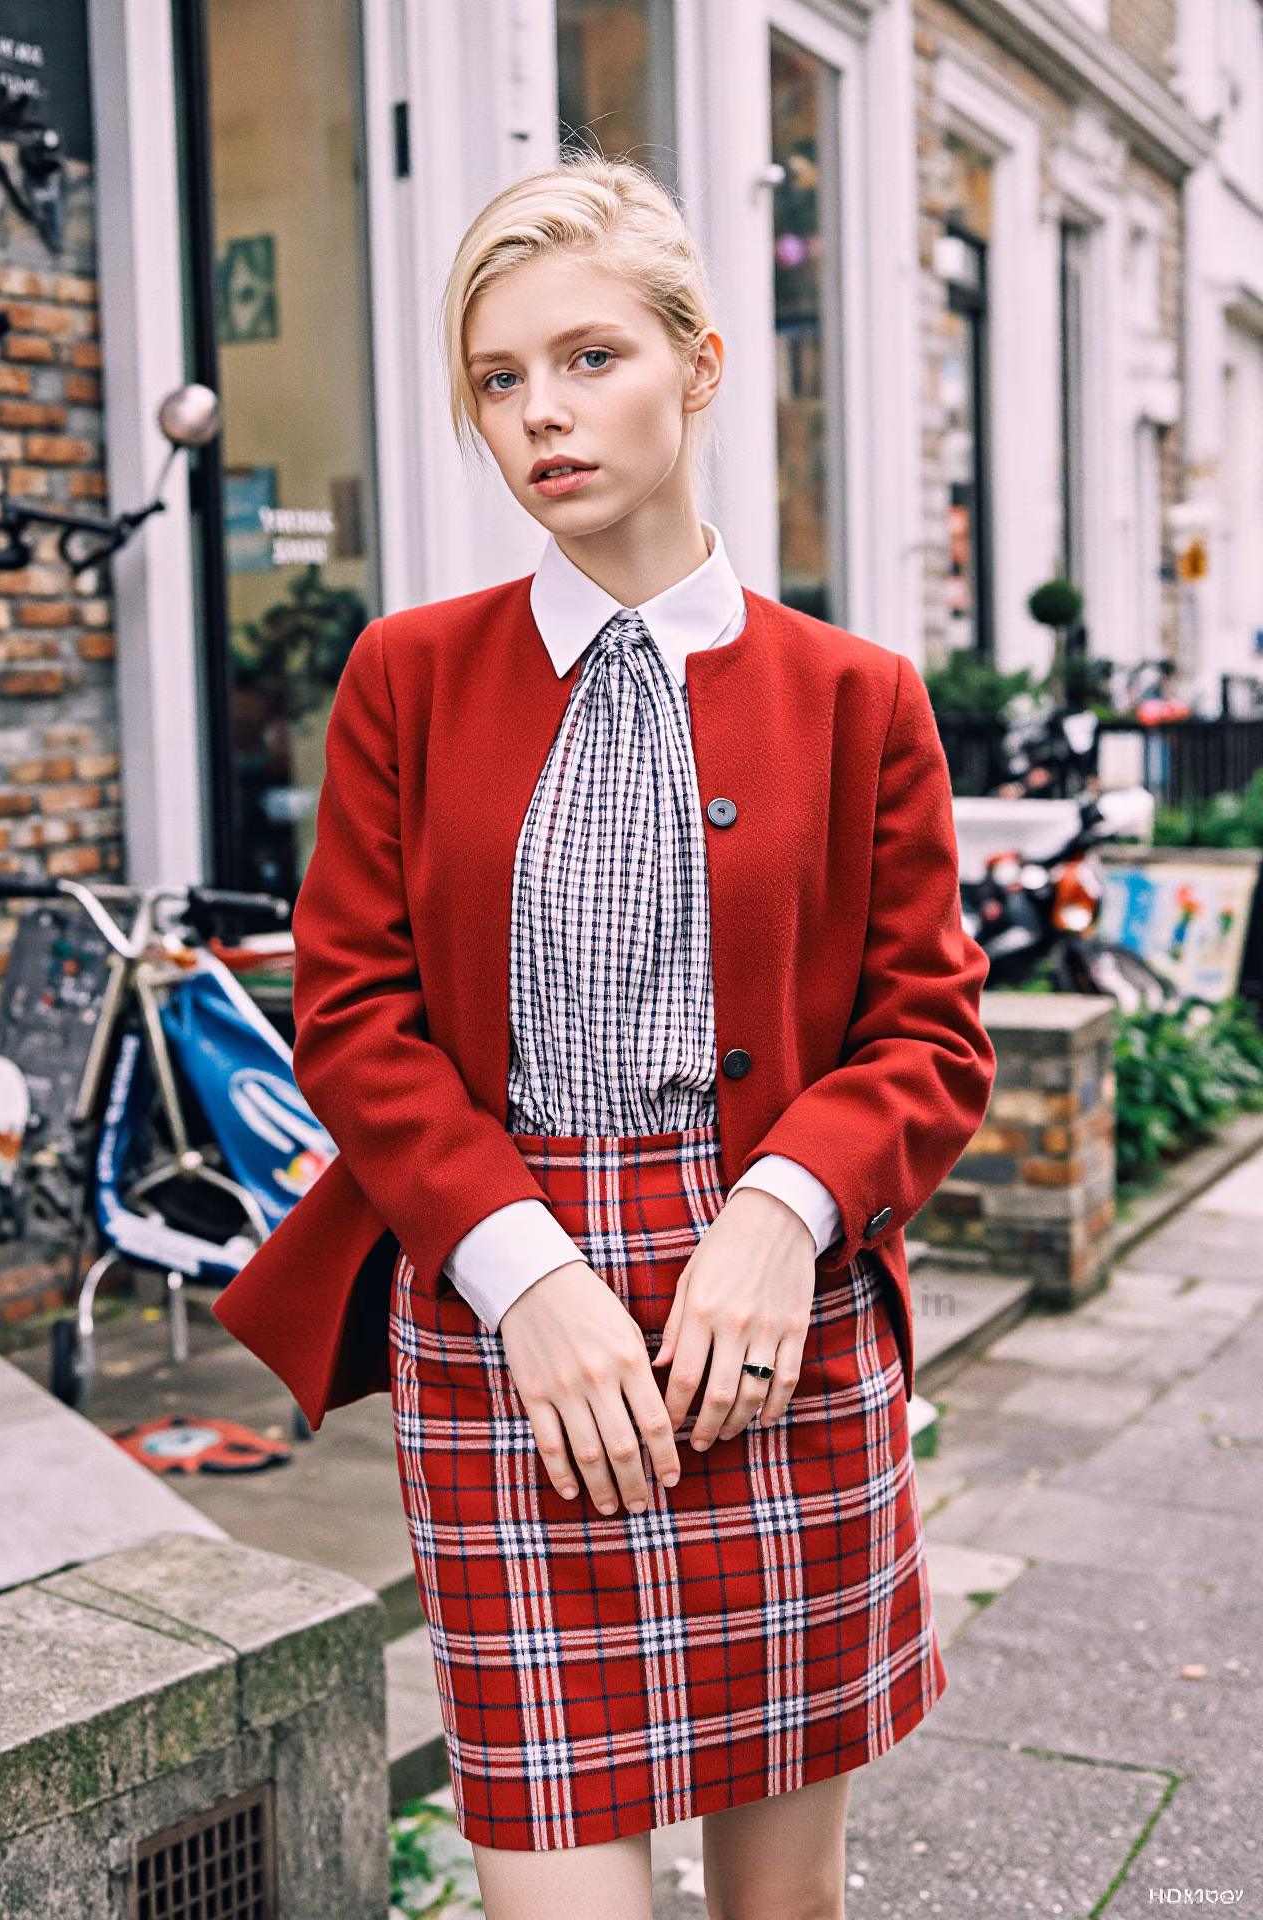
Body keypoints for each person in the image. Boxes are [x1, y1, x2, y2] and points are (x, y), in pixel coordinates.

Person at [215, 155, 995, 1920]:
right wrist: (524, 1275)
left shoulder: (856, 696)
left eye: (588, 359)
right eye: (499, 380)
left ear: (700, 365)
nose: (541, 418)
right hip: (508, 1321)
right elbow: (350, 1014)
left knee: (781, 1907)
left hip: (768, 1324)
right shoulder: (408, 677)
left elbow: (931, 1032)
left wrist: (785, 1213)